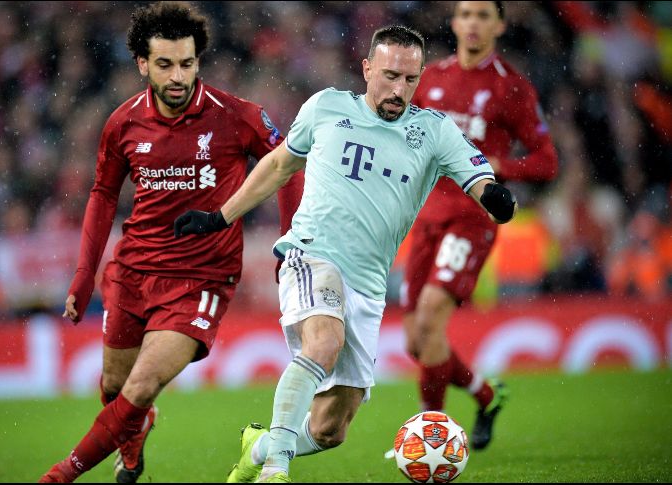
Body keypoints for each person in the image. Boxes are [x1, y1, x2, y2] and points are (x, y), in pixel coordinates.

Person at [174, 25, 517, 483]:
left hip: (369, 285)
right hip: (311, 253)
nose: (399, 90)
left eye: (410, 80)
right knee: (324, 344)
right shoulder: (326, 107)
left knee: (330, 428)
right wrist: (220, 216)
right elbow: (278, 165)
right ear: (368, 68)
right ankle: (275, 471)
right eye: (391, 76)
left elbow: (479, 178)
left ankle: (259, 446)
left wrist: (494, 197)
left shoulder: (433, 131)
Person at [39, 2, 303, 483]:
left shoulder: (237, 116)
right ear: (143, 64)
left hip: (201, 278)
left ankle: (58, 476)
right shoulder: (122, 123)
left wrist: (291, 239)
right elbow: (102, 196)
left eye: (186, 63)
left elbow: (288, 166)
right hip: (134, 272)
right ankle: (135, 439)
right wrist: (83, 274)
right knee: (115, 387)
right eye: (165, 65)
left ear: (198, 59)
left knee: (140, 385)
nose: (177, 75)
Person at [397, 0, 558, 454]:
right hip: (424, 217)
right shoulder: (431, 80)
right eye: (466, 13)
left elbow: (547, 161)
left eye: (483, 15)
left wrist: (495, 166)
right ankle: (487, 396)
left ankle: (432, 437)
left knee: (430, 318)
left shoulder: (511, 88)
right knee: (415, 340)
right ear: (453, 22)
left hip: (472, 219)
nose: (473, 23)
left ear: (500, 25)